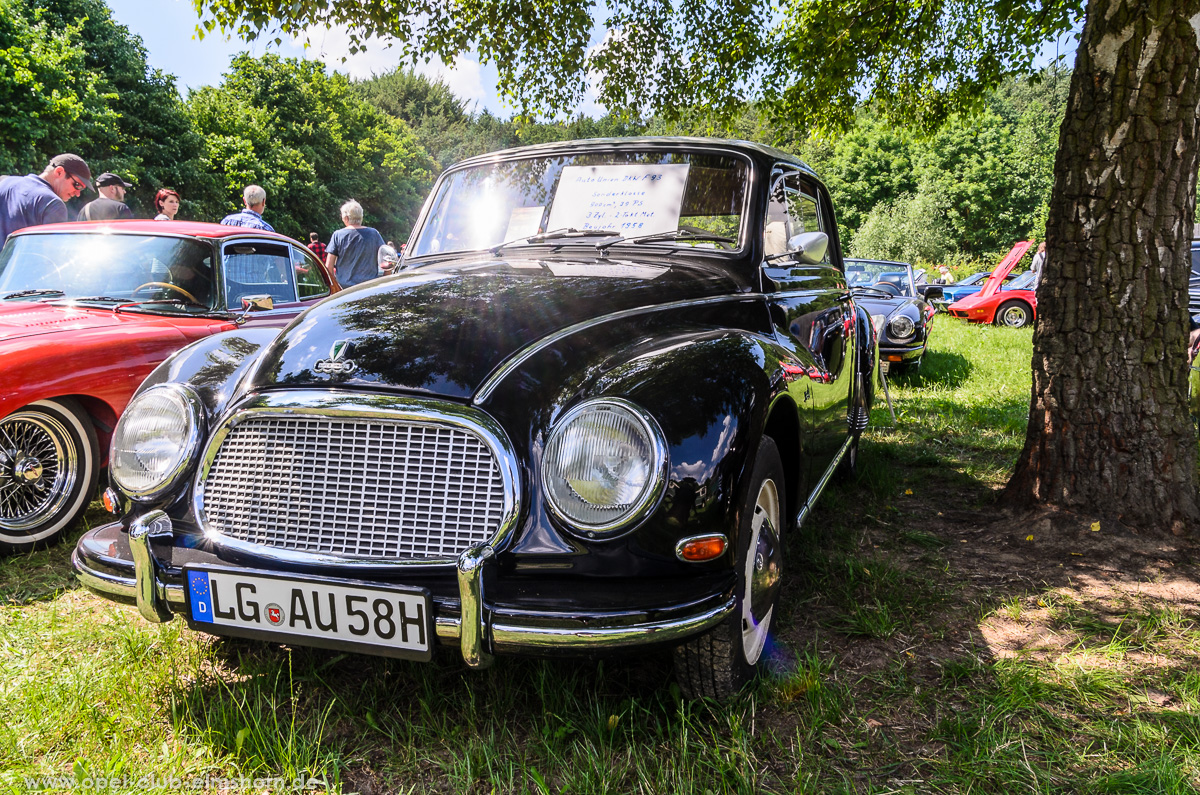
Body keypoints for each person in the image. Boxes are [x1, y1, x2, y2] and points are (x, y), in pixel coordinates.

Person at [0, 153, 92, 245]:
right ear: (59, 172)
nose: (78, 193)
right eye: (77, 185)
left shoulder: (4, 182)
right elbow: (52, 251)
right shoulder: (53, 204)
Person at [326, 199, 386, 288]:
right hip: (369, 288)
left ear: (346, 218)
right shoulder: (374, 234)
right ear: (361, 217)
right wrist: (385, 279)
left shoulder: (338, 235)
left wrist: (334, 286)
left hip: (345, 289)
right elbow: (386, 258)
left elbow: (329, 266)